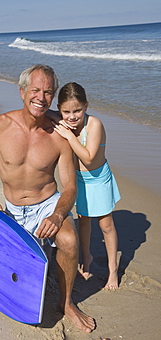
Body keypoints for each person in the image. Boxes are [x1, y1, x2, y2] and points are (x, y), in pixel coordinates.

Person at [0, 65, 95, 332]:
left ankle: (66, 303)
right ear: (22, 91)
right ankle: (43, 251)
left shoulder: (59, 136)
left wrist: (58, 214)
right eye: (35, 90)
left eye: (48, 92)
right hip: (13, 209)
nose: (41, 96)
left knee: (69, 240)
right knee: (13, 268)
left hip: (47, 203)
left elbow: (71, 187)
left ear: (53, 98)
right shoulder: (0, 126)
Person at [49, 82, 121, 290]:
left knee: (106, 225)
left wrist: (69, 136)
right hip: (79, 179)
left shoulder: (94, 125)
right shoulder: (64, 119)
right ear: (60, 109)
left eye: (77, 110)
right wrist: (57, 118)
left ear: (86, 106)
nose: (72, 117)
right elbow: (48, 113)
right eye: (66, 112)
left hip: (98, 178)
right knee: (84, 221)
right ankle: (86, 258)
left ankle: (112, 269)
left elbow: (89, 158)